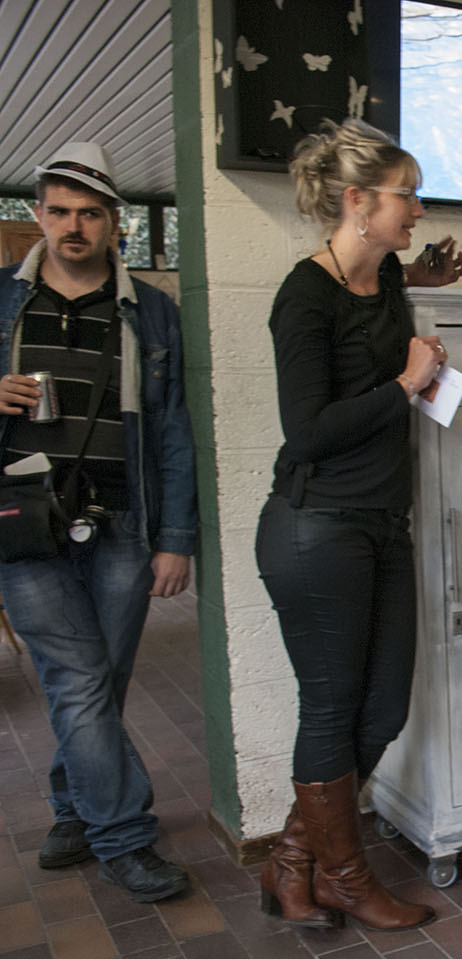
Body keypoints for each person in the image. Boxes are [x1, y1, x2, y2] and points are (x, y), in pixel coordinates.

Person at [255, 118, 462, 932]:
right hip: (316, 530)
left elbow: (378, 311)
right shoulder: (302, 294)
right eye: (405, 194)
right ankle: (344, 875)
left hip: (381, 522)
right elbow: (305, 430)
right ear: (356, 202)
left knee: (382, 713)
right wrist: (407, 386)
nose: (417, 206)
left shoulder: (387, 282)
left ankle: (293, 862)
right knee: (332, 709)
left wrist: (422, 278)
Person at [0, 141, 196, 902]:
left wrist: (175, 538)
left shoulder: (151, 312)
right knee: (79, 682)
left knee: (95, 685)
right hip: (21, 524)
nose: (73, 227)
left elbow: (174, 431)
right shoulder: (5, 303)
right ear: (38, 215)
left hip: (119, 524)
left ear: (115, 223)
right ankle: (123, 836)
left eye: (90, 214)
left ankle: (72, 806)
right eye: (60, 212)